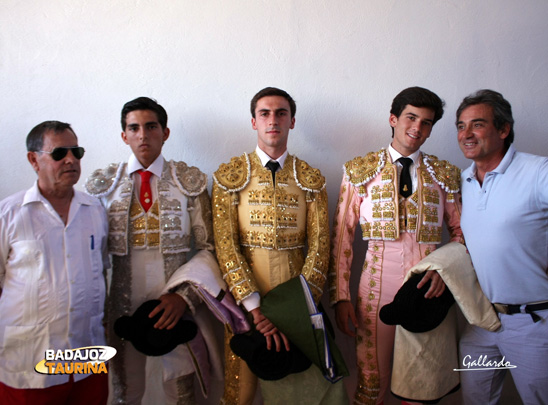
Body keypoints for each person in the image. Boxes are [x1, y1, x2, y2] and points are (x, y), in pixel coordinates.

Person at [329, 87, 464, 404]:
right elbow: (341, 237)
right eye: (411, 117)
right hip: (376, 287)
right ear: (393, 119)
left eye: (427, 122)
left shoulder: (444, 175)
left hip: (428, 288)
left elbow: (461, 234)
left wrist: (445, 272)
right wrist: (341, 297)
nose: (417, 128)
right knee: (372, 381)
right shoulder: (360, 171)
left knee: (420, 382)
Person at [212, 87, 346, 404]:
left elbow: (319, 247)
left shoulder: (311, 178)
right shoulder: (229, 176)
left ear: (292, 121)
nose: (273, 120)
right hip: (246, 300)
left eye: (281, 113)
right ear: (254, 121)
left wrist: (295, 309)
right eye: (265, 113)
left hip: (297, 296)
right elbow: (226, 247)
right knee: (241, 392)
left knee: (303, 388)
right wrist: (256, 310)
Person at [85, 97, 221, 404]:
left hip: (174, 302)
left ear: (165, 132)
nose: (143, 135)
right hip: (121, 304)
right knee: (125, 392)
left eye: (151, 126)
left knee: (180, 393)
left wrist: (184, 298)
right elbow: (89, 257)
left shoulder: (189, 182)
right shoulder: (102, 187)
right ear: (124, 135)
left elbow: (208, 248)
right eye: (134, 128)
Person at [0, 121, 109, 404]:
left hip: (87, 359)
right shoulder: (9, 215)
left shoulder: (95, 211)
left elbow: (101, 272)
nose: (71, 159)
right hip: (29, 364)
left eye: (76, 151)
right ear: (33, 159)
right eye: (60, 153)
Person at [456, 89, 548, 404]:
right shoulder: (464, 182)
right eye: (460, 126)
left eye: (477, 125)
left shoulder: (538, 172)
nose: (466, 134)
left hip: (533, 324)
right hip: (481, 322)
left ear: (504, 129)